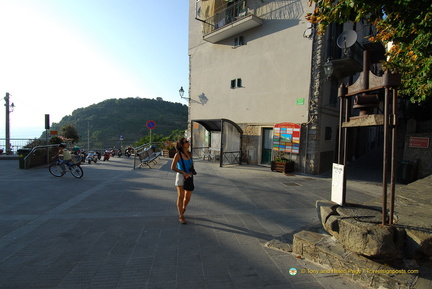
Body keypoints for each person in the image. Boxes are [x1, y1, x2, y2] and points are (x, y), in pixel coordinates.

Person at [171, 138, 194, 224]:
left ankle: (183, 208)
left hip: (189, 177)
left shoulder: (190, 154)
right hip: (180, 177)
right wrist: (183, 172)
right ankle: (181, 216)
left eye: (188, 142)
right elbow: (173, 167)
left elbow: (191, 165)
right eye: (186, 142)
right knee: (181, 196)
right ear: (181, 144)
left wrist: (191, 171)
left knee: (187, 197)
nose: (188, 143)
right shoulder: (178, 155)